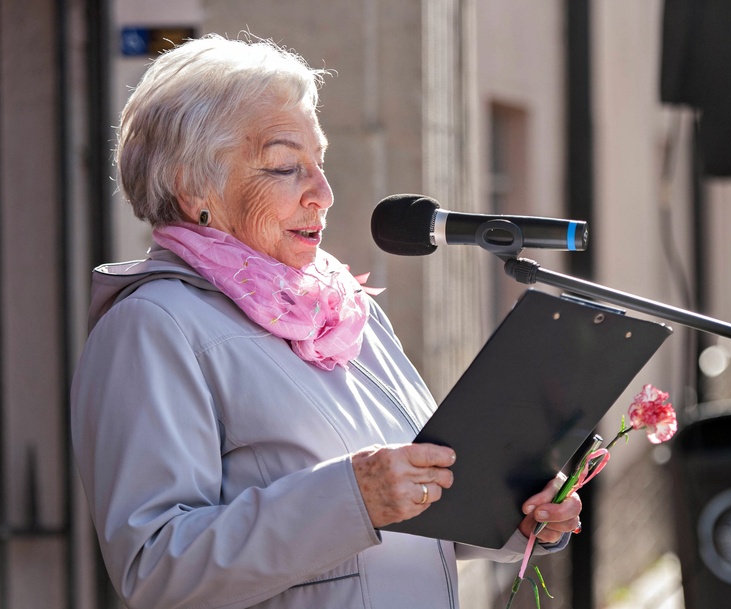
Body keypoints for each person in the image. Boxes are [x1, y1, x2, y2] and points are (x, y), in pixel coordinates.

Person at [70, 34, 582, 609]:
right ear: (195, 190)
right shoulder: (152, 325)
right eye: (287, 166)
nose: (325, 194)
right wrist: (351, 499)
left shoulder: (340, 308)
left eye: (322, 162)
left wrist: (516, 515)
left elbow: (404, 516)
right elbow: (156, 569)